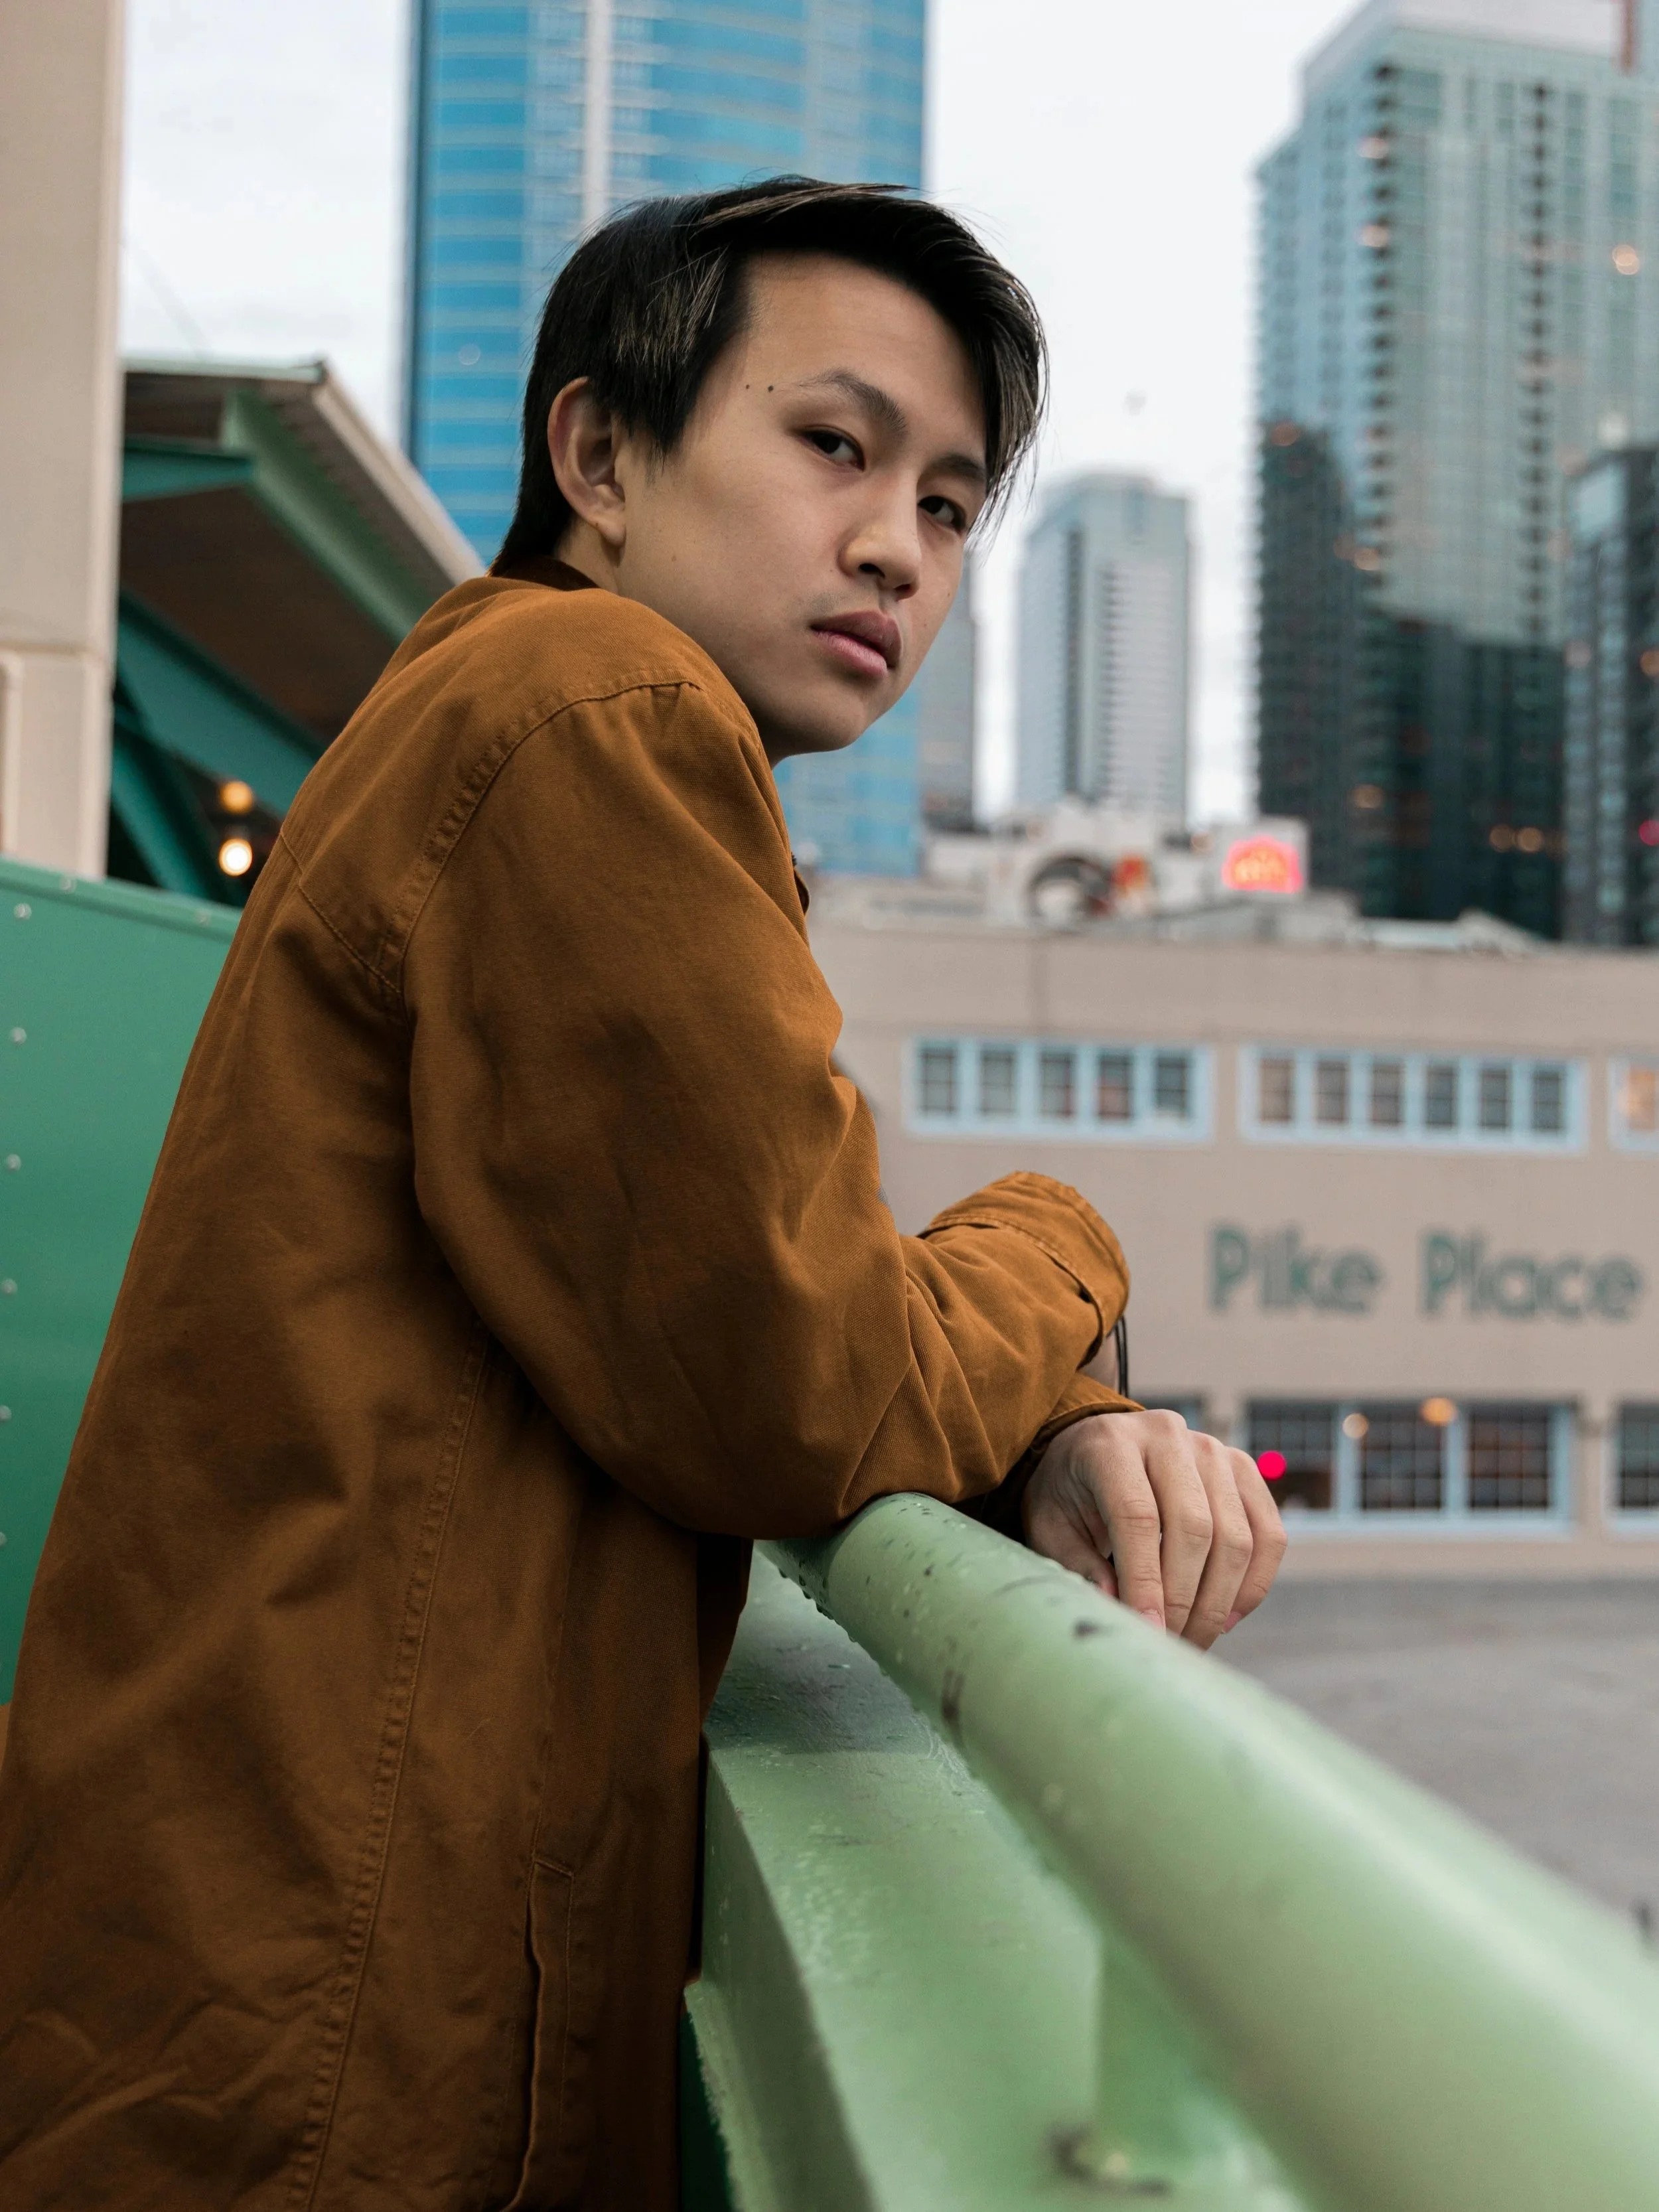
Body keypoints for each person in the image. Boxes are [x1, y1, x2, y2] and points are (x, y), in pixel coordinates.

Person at [0, 179, 1283, 2207]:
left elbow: (745, 1292)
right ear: (600, 452)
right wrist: (1066, 1241)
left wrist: (1032, 1394)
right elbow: (795, 1370)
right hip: (333, 2035)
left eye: (951, 505)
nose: (896, 546)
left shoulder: (503, 708)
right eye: (833, 445)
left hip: (263, 1981)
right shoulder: (592, 707)